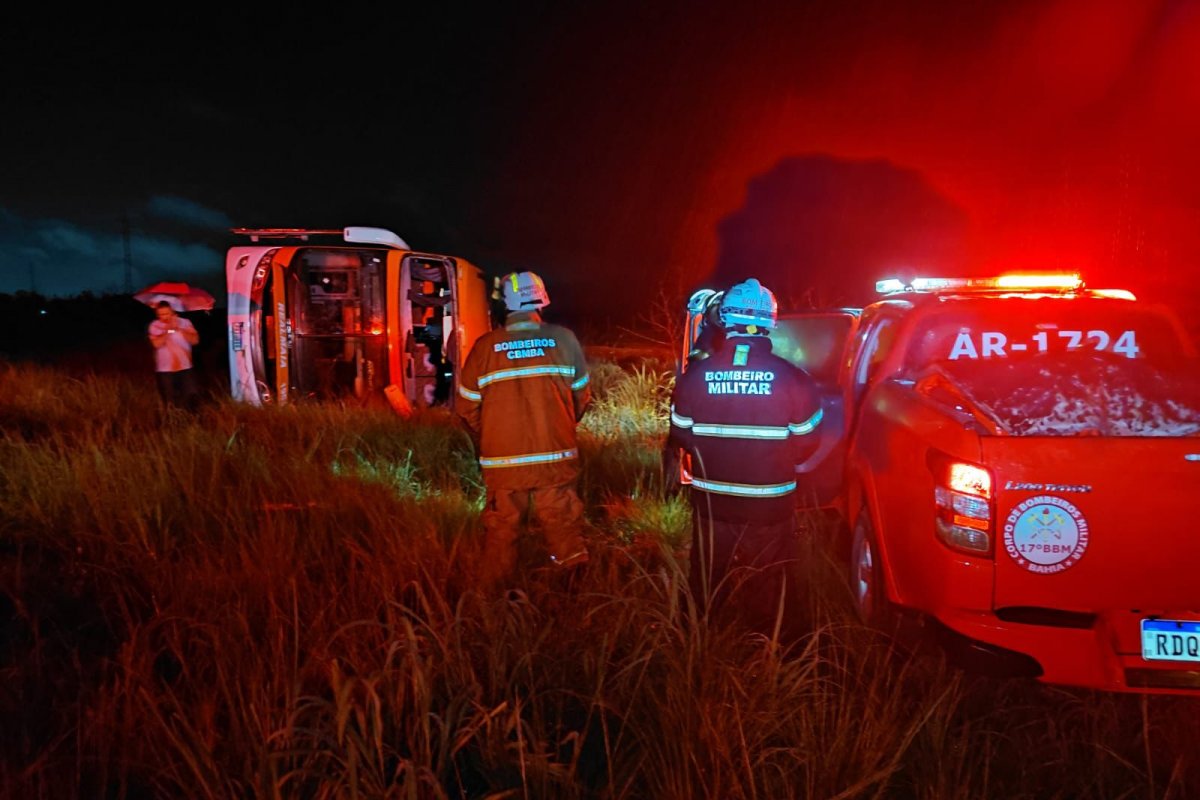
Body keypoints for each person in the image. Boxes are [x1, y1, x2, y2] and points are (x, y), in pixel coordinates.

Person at [667, 278, 823, 627]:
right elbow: (809, 439)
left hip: (711, 502)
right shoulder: (794, 379)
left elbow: (680, 435)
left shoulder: (695, 377)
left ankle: (699, 644)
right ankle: (767, 653)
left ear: (724, 319)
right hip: (770, 503)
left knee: (706, 579)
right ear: (770, 322)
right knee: (768, 581)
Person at [455, 271, 592, 586]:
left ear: (506, 303)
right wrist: (558, 425)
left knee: (501, 531)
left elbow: (466, 407)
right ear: (541, 299)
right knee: (563, 526)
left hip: (503, 462)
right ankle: (572, 592)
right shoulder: (564, 339)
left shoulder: (485, 347)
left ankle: (497, 599)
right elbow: (581, 399)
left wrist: (493, 432)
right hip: (555, 457)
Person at [148, 301, 200, 408]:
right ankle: (171, 421)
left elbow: (195, 341)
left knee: (190, 397)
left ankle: (191, 420)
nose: (163, 317)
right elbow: (156, 344)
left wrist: (180, 329)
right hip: (165, 370)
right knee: (169, 399)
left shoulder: (186, 323)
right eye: (160, 314)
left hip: (185, 367)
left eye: (166, 314)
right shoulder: (155, 325)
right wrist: (169, 330)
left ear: (173, 311)